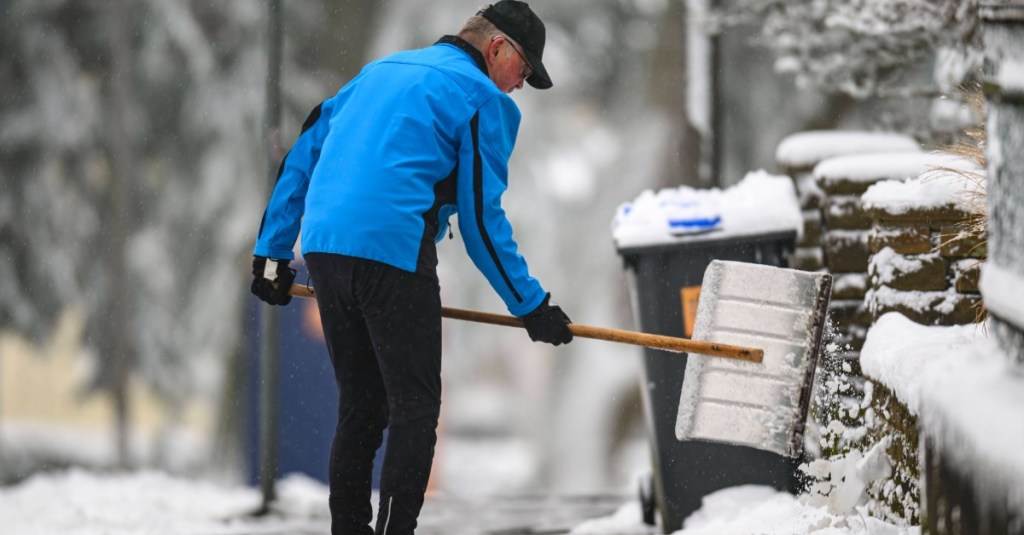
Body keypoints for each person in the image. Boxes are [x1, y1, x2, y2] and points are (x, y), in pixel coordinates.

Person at [249, 2, 573, 533]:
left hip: (326, 251)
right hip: (393, 254)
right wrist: (531, 305)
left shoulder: (379, 72)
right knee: (415, 407)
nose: (521, 85)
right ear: (497, 49)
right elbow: (480, 220)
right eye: (525, 70)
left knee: (362, 406)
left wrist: (272, 254)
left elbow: (305, 147)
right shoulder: (480, 98)